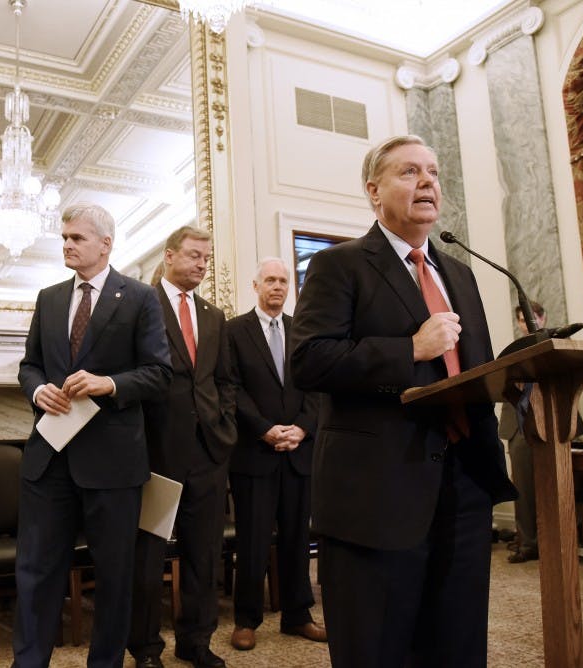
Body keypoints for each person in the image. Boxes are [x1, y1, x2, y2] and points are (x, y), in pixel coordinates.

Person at [290, 135, 517, 667]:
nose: (428, 183)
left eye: (433, 173)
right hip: (376, 490)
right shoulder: (338, 265)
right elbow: (309, 362)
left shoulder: (458, 272)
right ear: (374, 190)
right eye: (410, 172)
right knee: (378, 647)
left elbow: (472, 368)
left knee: (456, 643)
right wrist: (408, 349)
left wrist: (515, 380)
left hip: (462, 483)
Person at [13, 203, 172, 668]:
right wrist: (36, 389)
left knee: (114, 575)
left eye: (77, 238)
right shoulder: (49, 298)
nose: (67, 244)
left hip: (114, 462)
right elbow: (30, 365)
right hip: (49, 459)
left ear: (105, 244)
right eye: (64, 237)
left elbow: (160, 374)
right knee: (36, 572)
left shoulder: (140, 298)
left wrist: (110, 384)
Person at [129, 225, 237, 668]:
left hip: (208, 452)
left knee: (203, 554)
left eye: (206, 259)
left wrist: (223, 424)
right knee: (148, 557)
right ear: (170, 256)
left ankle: (196, 643)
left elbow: (224, 379)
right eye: (194, 256)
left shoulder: (213, 315)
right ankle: (146, 648)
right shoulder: (141, 305)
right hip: (155, 451)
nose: (201, 265)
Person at [226, 257, 324, 651]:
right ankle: (246, 620)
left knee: (298, 539)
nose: (278, 287)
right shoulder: (234, 331)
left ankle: (297, 615)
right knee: (251, 541)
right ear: (256, 285)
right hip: (254, 452)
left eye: (284, 281)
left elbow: (318, 387)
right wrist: (265, 430)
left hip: (299, 452)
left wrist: (302, 427)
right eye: (270, 280)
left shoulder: (304, 331)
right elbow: (231, 389)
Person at [499, 301, 547, 564]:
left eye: (533, 316)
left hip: (549, 421)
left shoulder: (554, 344)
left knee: (552, 484)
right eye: (521, 319)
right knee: (523, 489)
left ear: (542, 317)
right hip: (517, 422)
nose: (528, 322)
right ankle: (528, 543)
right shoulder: (512, 351)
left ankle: (554, 541)